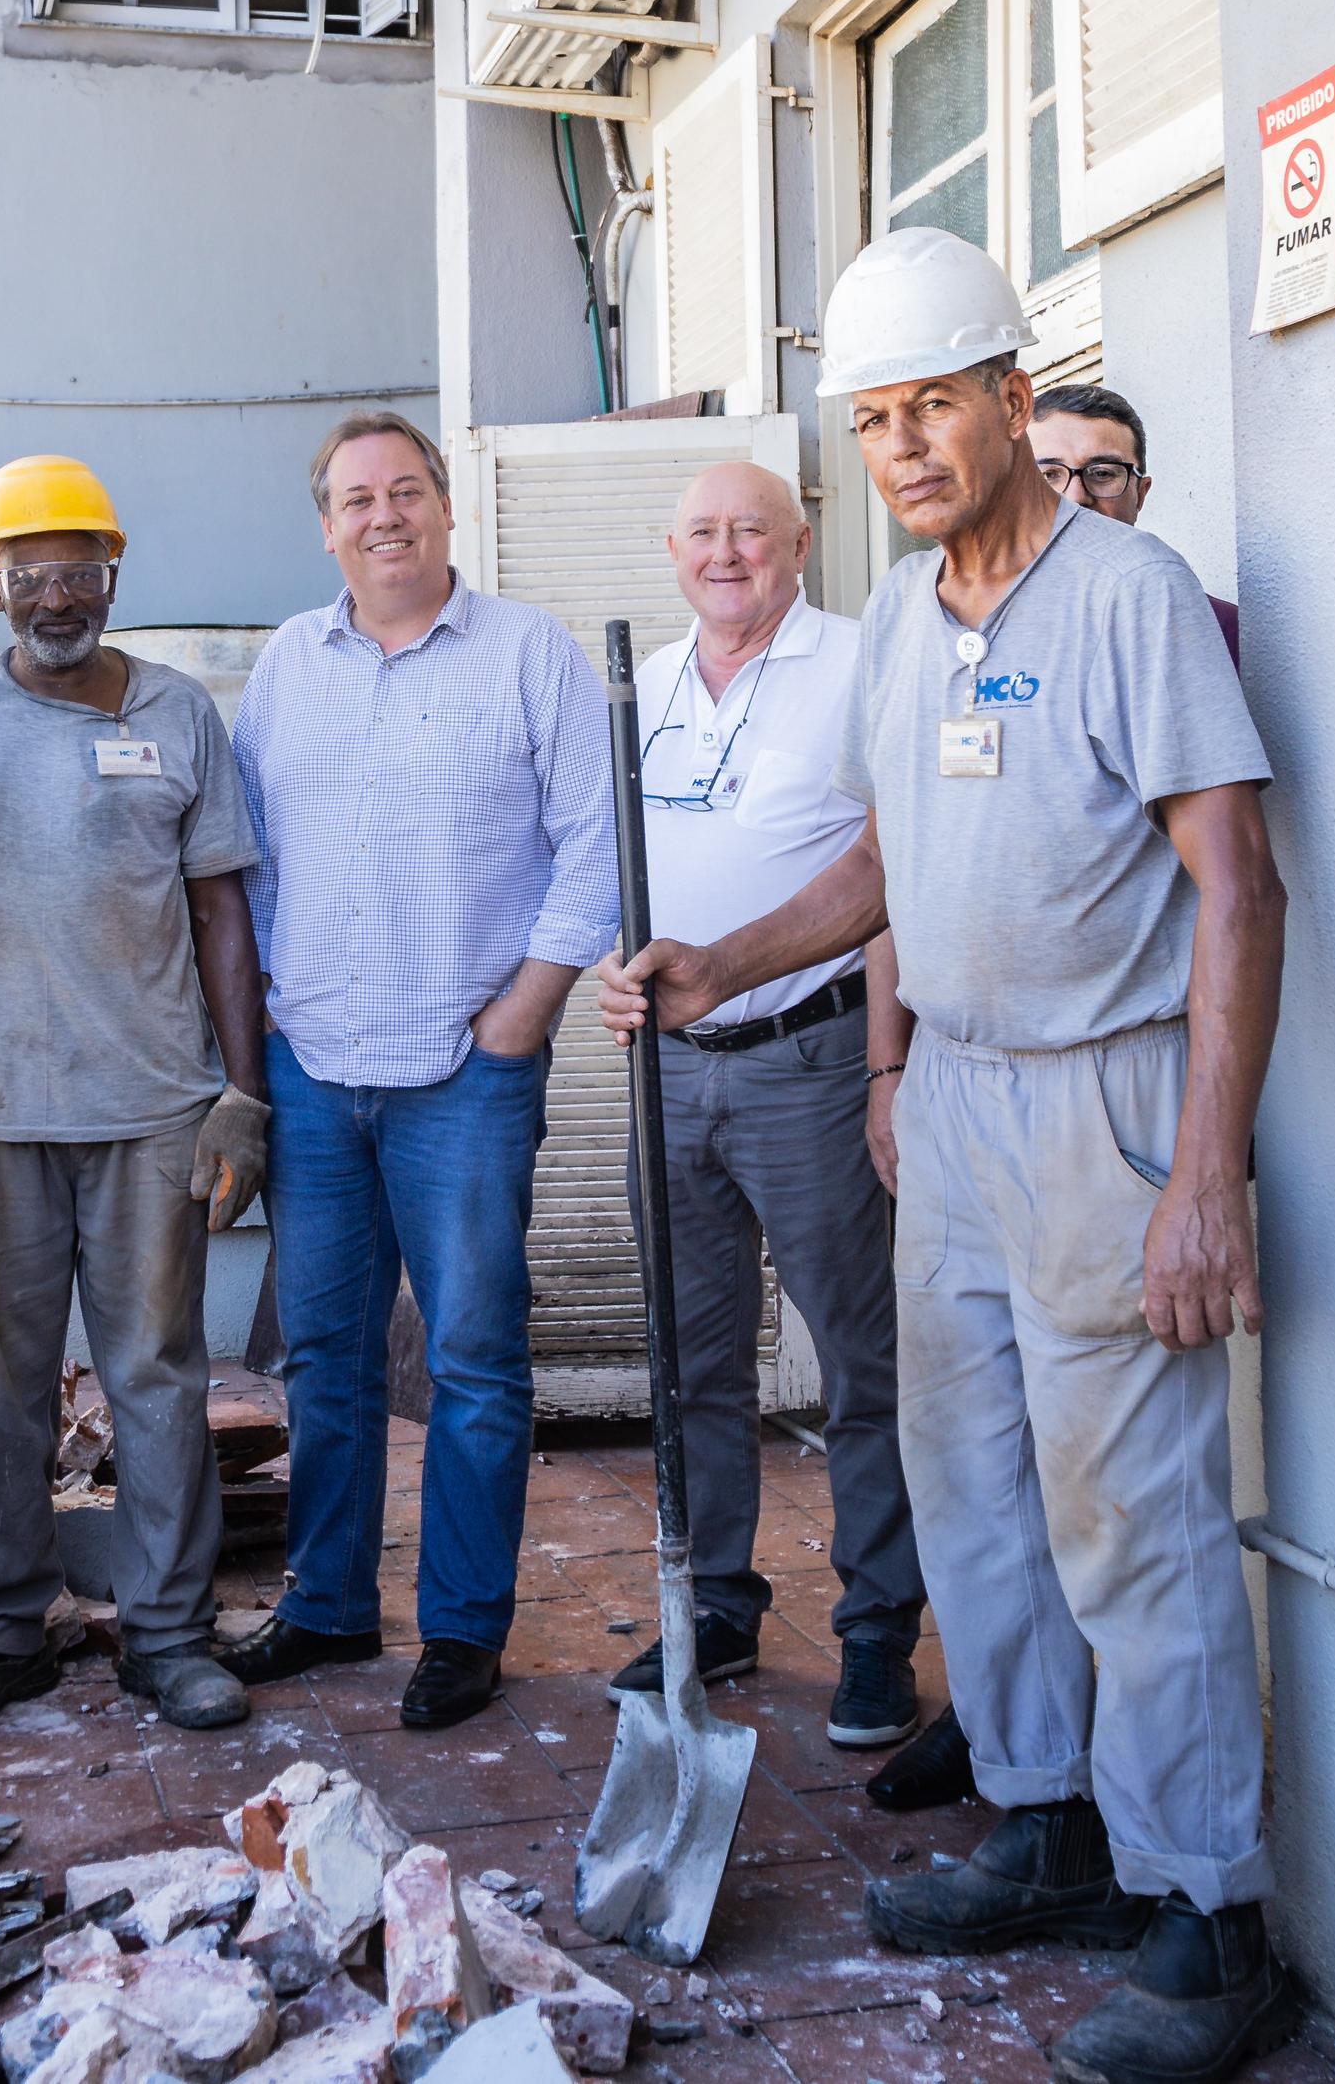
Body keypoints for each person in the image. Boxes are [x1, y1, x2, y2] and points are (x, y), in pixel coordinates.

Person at [607, 227, 1304, 2084]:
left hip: (1107, 1093)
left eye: (935, 403)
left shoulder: (1127, 591)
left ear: (1013, 394)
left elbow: (1235, 881)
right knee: (973, 1480)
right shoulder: (911, 621)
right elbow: (887, 866)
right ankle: (1047, 1815)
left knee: (1128, 1506)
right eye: (876, 417)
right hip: (967, 1101)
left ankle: (1207, 1899)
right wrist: (723, 963)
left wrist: (1207, 1167)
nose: (906, 444)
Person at [0, 455, 271, 1738]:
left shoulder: (180, 712)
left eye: (76, 563)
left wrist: (239, 1094)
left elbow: (220, 913)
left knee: (155, 1373)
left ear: (112, 570)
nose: (54, 590)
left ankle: (165, 1633)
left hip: (151, 1106)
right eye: (25, 568)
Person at [224, 409, 617, 1732]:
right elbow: (255, 853)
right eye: (355, 498)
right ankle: (329, 1602)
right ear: (325, 523)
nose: (382, 515)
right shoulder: (288, 662)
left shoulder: (527, 653)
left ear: (446, 508)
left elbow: (596, 842)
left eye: (405, 491)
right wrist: (272, 999)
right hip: (315, 1066)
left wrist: (528, 1006)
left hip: (464, 1064)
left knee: (473, 1359)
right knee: (323, 1355)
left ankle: (462, 1626)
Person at [609, 457, 928, 1755]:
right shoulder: (646, 687)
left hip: (807, 1058)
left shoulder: (858, 660)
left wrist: (884, 1067)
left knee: (862, 1361)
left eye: (751, 529)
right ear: (671, 549)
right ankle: (719, 1605)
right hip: (670, 1073)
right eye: (701, 532)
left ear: (801, 541)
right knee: (690, 1363)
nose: (725, 552)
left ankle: (876, 1635)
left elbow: (895, 868)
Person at [1027, 384, 1240, 668]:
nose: (1076, 497)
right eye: (1049, 474)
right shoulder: (973, 625)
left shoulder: (1220, 629)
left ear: (1140, 493)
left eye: (1102, 473)